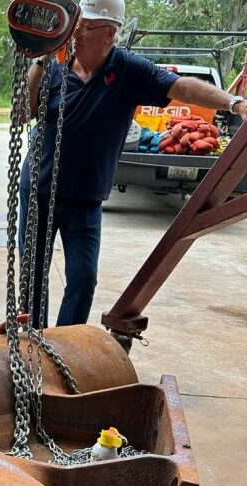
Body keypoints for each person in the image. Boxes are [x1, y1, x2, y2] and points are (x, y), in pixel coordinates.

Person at [19, 0, 247, 327]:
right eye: (77, 24)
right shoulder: (55, 65)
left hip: (84, 200)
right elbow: (22, 113)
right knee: (32, 281)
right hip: (39, 192)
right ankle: (31, 345)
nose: (77, 32)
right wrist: (41, 57)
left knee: (83, 281)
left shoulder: (126, 70)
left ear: (109, 33)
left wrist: (234, 103)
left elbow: (182, 87)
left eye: (86, 26)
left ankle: (67, 349)